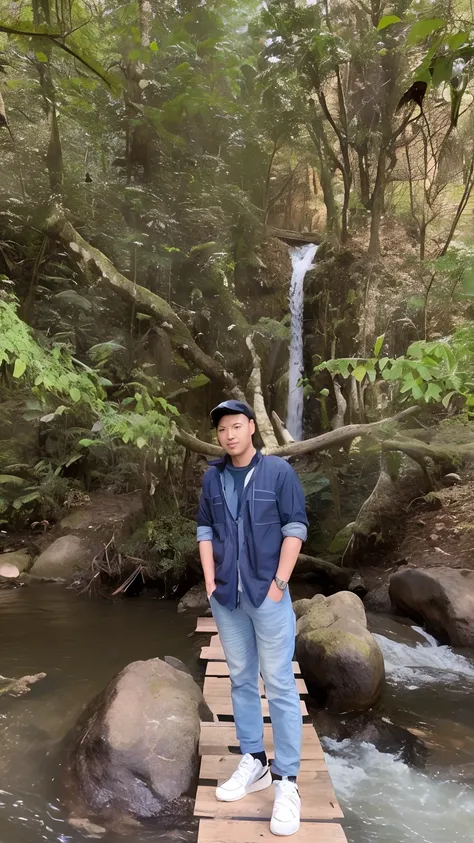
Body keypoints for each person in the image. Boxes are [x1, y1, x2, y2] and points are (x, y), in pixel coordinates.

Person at [196, 399, 308, 836]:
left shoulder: (278, 473)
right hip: (226, 597)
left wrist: (280, 583)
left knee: (279, 682)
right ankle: (255, 762)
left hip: (268, 594)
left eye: (236, 426)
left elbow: (295, 527)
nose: (229, 435)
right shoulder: (213, 477)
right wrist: (209, 581)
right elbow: (204, 529)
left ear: (251, 429)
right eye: (222, 429)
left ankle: (288, 780)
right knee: (241, 678)